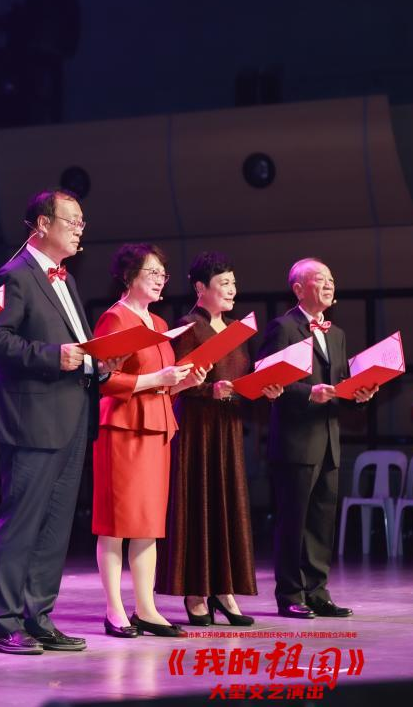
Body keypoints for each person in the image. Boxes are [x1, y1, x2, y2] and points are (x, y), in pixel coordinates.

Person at [0, 189, 118, 655]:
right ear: (42, 224)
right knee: (21, 521)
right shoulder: (13, 275)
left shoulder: (66, 279)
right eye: (71, 220)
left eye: (81, 222)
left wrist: (98, 362)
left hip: (72, 414)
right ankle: (5, 624)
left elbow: (77, 345)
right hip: (30, 418)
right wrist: (52, 356)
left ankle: (38, 617)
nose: (80, 229)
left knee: (55, 525)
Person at [154, 252, 283, 627]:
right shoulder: (187, 327)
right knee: (199, 503)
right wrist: (209, 389)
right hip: (197, 429)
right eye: (223, 283)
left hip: (228, 428)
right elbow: (177, 382)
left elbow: (241, 379)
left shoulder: (235, 331)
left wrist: (263, 387)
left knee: (226, 505)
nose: (232, 290)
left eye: (233, 283)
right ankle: (196, 592)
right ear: (201, 288)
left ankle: (224, 590)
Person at [93, 243, 206, 639]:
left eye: (163, 274)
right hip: (124, 428)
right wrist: (158, 379)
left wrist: (184, 382)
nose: (160, 280)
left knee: (148, 523)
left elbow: (162, 384)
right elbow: (102, 379)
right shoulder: (115, 318)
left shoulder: (158, 323)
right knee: (115, 523)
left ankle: (146, 608)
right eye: (152, 272)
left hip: (157, 426)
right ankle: (114, 609)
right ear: (129, 276)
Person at [258, 257, 377, 620]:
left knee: (322, 522)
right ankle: (290, 594)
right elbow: (266, 379)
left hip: (328, 441)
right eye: (320, 279)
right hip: (295, 442)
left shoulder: (336, 334)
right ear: (299, 289)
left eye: (331, 279)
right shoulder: (283, 327)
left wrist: (359, 394)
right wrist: (309, 393)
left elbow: (339, 383)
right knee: (293, 523)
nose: (329, 284)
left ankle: (317, 591)